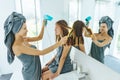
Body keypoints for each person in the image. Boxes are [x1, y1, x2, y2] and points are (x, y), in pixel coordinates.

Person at [4, 12, 67, 80]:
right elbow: (41, 52)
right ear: (16, 30)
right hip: (31, 75)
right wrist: (59, 43)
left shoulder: (23, 38)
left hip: (36, 71)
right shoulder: (17, 47)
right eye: (24, 28)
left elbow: (39, 37)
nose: (27, 30)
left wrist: (43, 24)